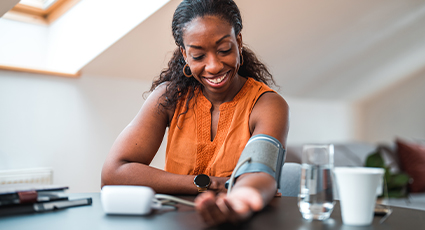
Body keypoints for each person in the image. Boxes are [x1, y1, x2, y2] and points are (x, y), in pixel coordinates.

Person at [101, 0, 289, 226]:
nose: (213, 66)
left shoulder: (267, 104)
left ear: (238, 42)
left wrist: (239, 203)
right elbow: (114, 173)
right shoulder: (169, 97)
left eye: (224, 50)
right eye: (198, 56)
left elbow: (261, 172)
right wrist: (207, 183)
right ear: (185, 54)